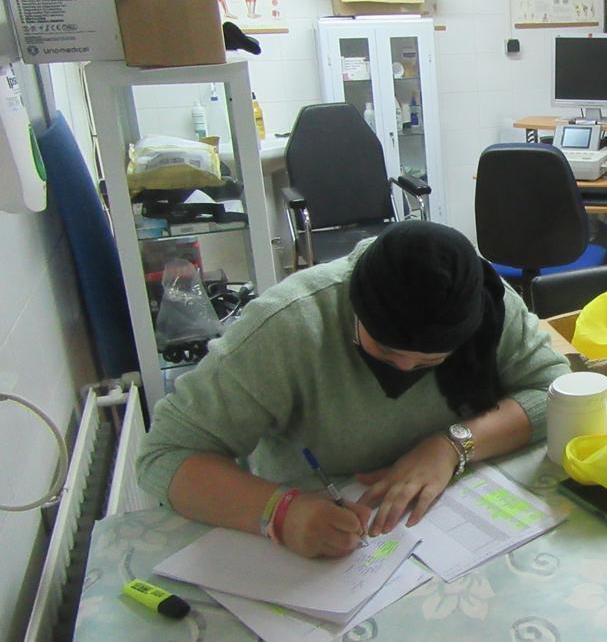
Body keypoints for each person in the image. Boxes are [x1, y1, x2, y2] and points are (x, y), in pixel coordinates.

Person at [137, 221, 570, 558]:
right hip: (313, 540)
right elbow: (165, 456)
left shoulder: (486, 301)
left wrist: (454, 444)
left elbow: (557, 392)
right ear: (355, 309)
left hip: (455, 533)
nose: (404, 369)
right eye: (385, 352)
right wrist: (282, 512)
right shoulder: (288, 327)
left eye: (430, 364)